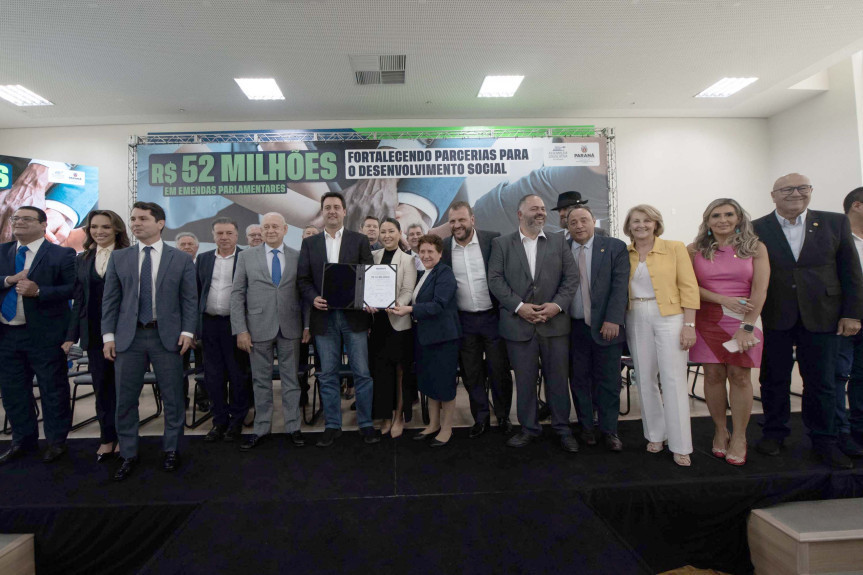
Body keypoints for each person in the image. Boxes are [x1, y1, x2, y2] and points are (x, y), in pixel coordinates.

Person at [753, 174, 863, 469]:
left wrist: (853, 313)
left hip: (823, 315)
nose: (795, 193)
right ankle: (774, 434)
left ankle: (824, 441)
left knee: (822, 382)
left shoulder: (833, 222)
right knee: (773, 378)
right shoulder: (757, 228)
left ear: (811, 192)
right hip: (777, 314)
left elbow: (851, 271)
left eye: (802, 188)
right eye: (787, 189)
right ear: (773, 195)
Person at [102, 201, 197, 481]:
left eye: (142, 218)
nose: (135, 223)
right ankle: (128, 453)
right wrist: (108, 336)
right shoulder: (120, 258)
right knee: (125, 400)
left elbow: (189, 300)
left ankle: (171, 450)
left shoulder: (180, 258)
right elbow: (110, 301)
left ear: (160, 223)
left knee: (173, 398)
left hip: (166, 337)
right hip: (128, 339)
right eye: (133, 219)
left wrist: (188, 332)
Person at [487, 194, 579, 452]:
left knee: (558, 381)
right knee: (525, 382)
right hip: (519, 325)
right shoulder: (502, 244)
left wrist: (556, 306)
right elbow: (494, 279)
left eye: (542, 209)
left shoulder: (559, 241)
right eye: (534, 209)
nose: (540, 212)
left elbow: (571, 278)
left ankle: (562, 428)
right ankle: (529, 428)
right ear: (520, 214)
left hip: (555, 324)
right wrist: (519, 307)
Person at [688, 199, 769, 466]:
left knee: (740, 376)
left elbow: (760, 291)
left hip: (745, 318)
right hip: (707, 318)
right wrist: (722, 299)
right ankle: (721, 430)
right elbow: (688, 287)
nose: (722, 220)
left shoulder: (755, 249)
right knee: (712, 375)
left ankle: (740, 437)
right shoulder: (694, 250)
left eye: (728, 214)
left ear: (738, 218)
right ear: (707, 221)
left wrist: (747, 326)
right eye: (716, 215)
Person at [298, 191, 378, 446]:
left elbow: (369, 276)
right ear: (323, 212)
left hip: (354, 317)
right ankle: (333, 425)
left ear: (344, 211)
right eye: (327, 207)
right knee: (327, 373)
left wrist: (365, 299)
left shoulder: (360, 240)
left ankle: (366, 423)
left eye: (336, 207)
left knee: (362, 373)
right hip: (324, 318)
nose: (332, 211)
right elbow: (303, 280)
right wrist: (313, 298)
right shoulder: (310, 244)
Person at [624, 204, 699, 467]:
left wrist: (689, 325)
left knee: (673, 379)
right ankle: (655, 434)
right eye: (635, 221)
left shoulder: (675, 248)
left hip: (670, 315)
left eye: (647, 220)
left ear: (656, 224)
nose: (641, 225)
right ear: (628, 226)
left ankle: (681, 445)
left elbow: (689, 287)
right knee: (644, 378)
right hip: (635, 315)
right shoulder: (625, 252)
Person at [0, 206, 76, 464]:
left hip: (45, 336)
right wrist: (8, 280)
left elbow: (73, 289)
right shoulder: (3, 251)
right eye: (16, 218)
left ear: (44, 225)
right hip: (7, 336)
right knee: (14, 392)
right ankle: (22, 440)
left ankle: (56, 443)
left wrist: (39, 291)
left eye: (26, 219)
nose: (19, 222)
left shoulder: (62, 254)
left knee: (52, 391)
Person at [231, 212, 309, 450]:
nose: (271, 230)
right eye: (266, 227)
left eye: (275, 226)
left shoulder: (298, 257)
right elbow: (237, 295)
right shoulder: (246, 257)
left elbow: (305, 294)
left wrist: (307, 325)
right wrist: (240, 330)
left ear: (285, 229)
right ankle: (261, 428)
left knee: (291, 380)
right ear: (260, 231)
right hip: (257, 328)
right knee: (260, 381)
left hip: (291, 326)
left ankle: (293, 427)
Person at [62, 210, 130, 462]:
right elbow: (78, 300)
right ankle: (107, 438)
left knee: (125, 389)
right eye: (94, 227)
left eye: (105, 227)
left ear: (117, 230)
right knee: (102, 389)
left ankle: (126, 438)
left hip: (125, 334)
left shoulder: (129, 256)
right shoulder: (83, 258)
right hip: (93, 334)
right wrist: (71, 336)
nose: (99, 231)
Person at [442, 201, 513, 437]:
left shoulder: (493, 241)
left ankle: (503, 416)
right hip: (464, 321)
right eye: (452, 221)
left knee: (499, 370)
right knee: (472, 373)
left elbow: (505, 277)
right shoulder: (444, 248)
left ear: (472, 219)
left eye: (461, 219)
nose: (457, 225)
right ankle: (480, 418)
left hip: (493, 317)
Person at [566, 205, 630, 452]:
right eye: (573, 222)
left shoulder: (614, 247)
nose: (579, 226)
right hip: (574, 329)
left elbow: (619, 286)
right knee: (579, 380)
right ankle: (586, 427)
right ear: (567, 227)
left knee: (608, 381)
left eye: (584, 220)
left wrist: (614, 319)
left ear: (594, 221)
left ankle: (609, 430)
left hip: (607, 327)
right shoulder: (562, 250)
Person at [389, 235, 461, 445]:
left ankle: (446, 429)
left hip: (443, 339)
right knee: (429, 383)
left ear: (440, 253)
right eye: (422, 251)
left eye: (431, 251)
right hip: (425, 338)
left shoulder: (445, 273)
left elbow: (438, 305)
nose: (426, 255)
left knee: (445, 384)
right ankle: (433, 424)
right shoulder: (423, 274)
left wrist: (409, 309)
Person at [196, 217, 252, 443]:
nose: (224, 237)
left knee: (238, 375)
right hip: (209, 325)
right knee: (214, 377)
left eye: (229, 233)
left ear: (237, 235)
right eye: (220, 233)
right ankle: (219, 421)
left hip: (236, 325)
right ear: (213, 235)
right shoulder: (203, 259)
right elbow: (196, 292)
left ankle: (237, 421)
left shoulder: (246, 257)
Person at [368, 218, 416, 437]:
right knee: (381, 372)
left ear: (399, 233)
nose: (387, 235)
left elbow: (408, 289)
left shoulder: (408, 260)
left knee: (399, 373)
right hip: (377, 323)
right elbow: (367, 286)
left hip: (398, 323)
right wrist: (367, 302)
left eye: (391, 231)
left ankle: (399, 418)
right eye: (383, 231)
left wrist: (398, 305)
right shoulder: (373, 257)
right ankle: (385, 415)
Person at [836, 187, 863, 455]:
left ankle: (860, 430)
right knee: (838, 376)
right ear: (857, 205)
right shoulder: (834, 236)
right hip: (842, 319)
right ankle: (840, 432)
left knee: (862, 378)